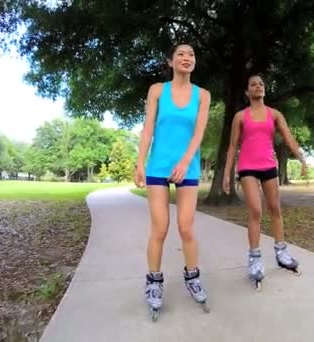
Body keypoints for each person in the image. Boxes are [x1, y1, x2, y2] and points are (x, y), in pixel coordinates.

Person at [134, 43, 211, 318]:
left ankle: (193, 277)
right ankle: (153, 282)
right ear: (170, 61)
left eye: (191, 54)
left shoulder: (203, 95)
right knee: (160, 228)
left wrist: (184, 161)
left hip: (187, 168)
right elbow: (148, 129)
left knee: (186, 228)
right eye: (181, 54)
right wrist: (140, 162)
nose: (186, 58)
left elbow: (199, 133)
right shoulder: (157, 90)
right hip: (158, 167)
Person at [223, 74, 307, 289]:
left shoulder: (275, 114)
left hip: (269, 166)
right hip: (247, 167)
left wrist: (301, 158)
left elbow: (288, 138)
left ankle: (281, 252)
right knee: (255, 211)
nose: (257, 87)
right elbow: (232, 146)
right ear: (247, 92)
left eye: (261, 84)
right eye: (253, 84)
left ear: (264, 90)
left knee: (275, 209)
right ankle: (254, 259)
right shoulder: (240, 116)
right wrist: (226, 174)